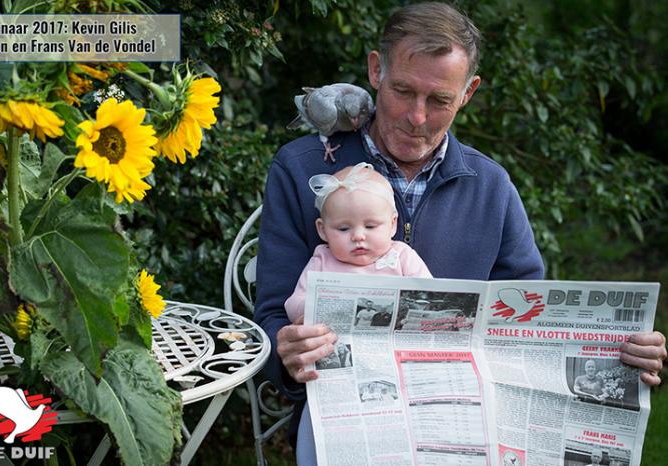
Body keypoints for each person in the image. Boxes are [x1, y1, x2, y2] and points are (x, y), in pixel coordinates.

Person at [253, 2, 667, 464]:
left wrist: (620, 355)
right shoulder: (300, 168)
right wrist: (287, 352)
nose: (416, 117)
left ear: (468, 92)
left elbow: (530, 324)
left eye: (440, 101)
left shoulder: (491, 187)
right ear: (375, 70)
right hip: (349, 414)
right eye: (403, 91)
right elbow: (271, 315)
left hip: (466, 419)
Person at [284, 163, 433, 325]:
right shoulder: (322, 260)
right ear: (323, 230)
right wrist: (311, 308)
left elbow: (430, 295)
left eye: (370, 226)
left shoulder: (402, 256)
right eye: (343, 228)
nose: (358, 236)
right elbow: (292, 304)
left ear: (392, 224)